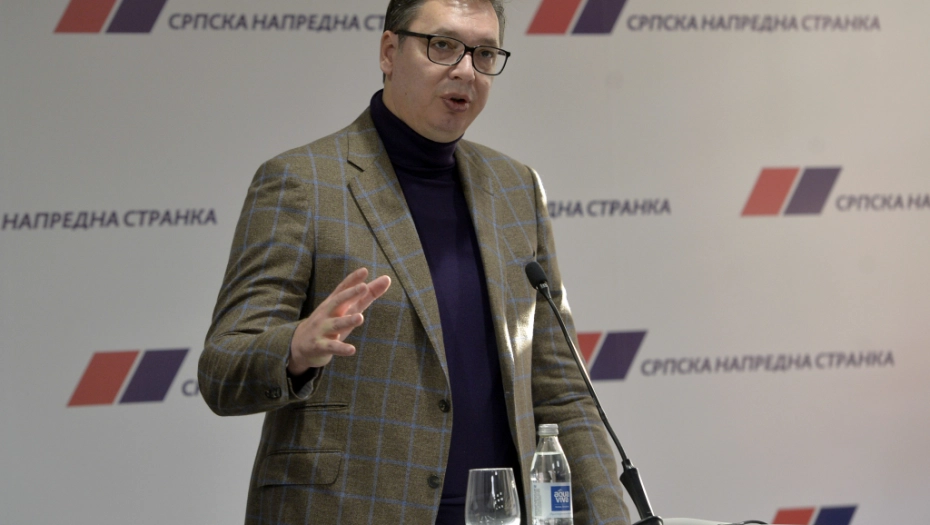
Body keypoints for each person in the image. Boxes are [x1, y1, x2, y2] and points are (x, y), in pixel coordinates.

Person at [199, 1, 631, 524]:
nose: (466, 70)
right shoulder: (302, 183)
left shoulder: (516, 189)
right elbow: (222, 368)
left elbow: (562, 390)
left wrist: (609, 517)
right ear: (389, 51)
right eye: (443, 46)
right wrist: (293, 349)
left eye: (485, 53)